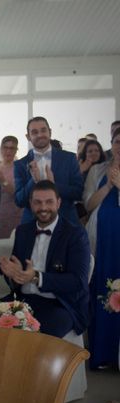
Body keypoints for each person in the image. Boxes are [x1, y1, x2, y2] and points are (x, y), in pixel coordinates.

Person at [0, 181, 90, 338]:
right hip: (24, 300)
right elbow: (17, 277)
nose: (43, 208)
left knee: (40, 332)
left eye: (49, 202)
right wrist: (13, 274)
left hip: (60, 304)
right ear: (31, 204)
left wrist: (36, 277)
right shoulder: (23, 231)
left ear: (59, 203)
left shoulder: (75, 234)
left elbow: (78, 281)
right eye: (38, 202)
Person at [84, 127, 120, 368]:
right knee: (102, 287)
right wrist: (108, 185)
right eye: (117, 141)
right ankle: (104, 354)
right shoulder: (98, 169)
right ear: (111, 144)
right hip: (102, 237)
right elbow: (88, 205)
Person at [14, 116, 83, 225]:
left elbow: (79, 193)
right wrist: (33, 181)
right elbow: (19, 201)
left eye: (43, 130)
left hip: (66, 223)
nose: (40, 135)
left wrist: (54, 185)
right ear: (28, 137)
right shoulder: (20, 164)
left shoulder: (69, 158)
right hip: (32, 225)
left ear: (50, 132)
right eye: (34, 132)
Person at [0, 136, 22, 239]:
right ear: (0, 148)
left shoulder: (21, 169)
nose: (8, 151)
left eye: (12, 148)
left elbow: (19, 195)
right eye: (5, 147)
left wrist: (3, 181)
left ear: (16, 150)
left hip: (15, 218)